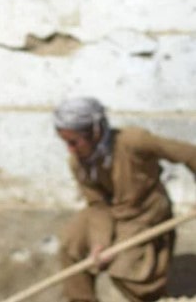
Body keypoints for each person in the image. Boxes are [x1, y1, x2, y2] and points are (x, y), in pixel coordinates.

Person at [53, 97, 196, 302]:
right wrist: (100, 243)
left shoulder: (134, 141)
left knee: (126, 267)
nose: (70, 149)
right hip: (109, 213)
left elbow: (189, 154)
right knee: (71, 244)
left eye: (74, 142)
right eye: (66, 143)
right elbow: (97, 205)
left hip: (145, 212)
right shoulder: (78, 163)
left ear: (94, 132)